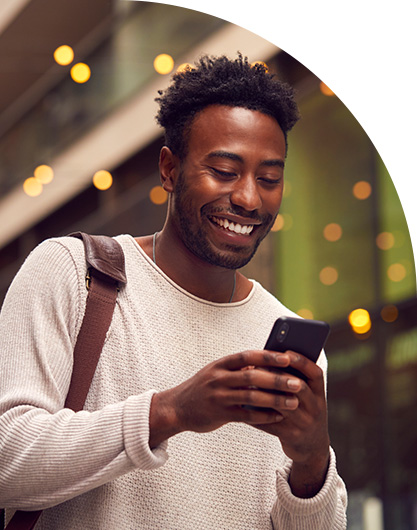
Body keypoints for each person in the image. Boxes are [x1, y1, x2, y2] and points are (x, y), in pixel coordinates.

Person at [0, 54, 347, 529]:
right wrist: (171, 411)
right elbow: (6, 458)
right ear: (169, 170)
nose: (249, 198)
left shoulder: (285, 341)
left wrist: (311, 464)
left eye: (269, 178)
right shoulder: (71, 272)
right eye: (225, 170)